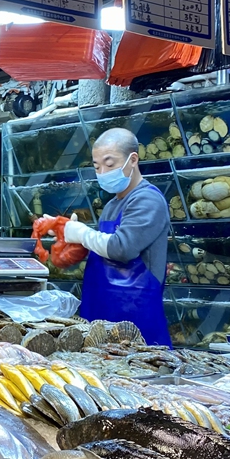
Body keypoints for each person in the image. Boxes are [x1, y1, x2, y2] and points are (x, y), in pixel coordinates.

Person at [56, 127, 172, 346]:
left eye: (109, 165)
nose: (102, 172)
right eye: (97, 166)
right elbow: (101, 249)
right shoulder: (112, 205)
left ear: (133, 159)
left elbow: (122, 249)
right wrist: (66, 237)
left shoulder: (147, 200)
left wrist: (82, 233)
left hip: (136, 317)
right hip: (98, 310)